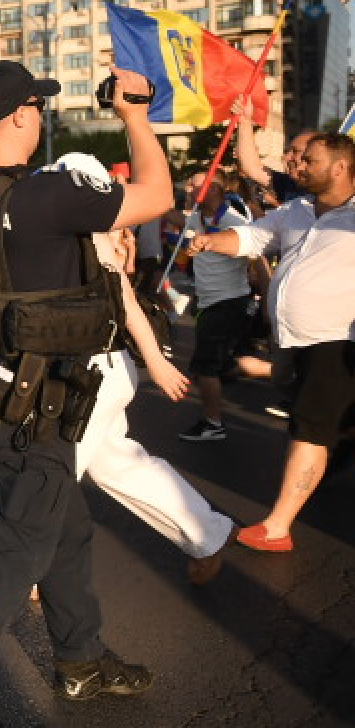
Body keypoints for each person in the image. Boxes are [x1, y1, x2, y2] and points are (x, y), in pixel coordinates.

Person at [0, 61, 171, 728]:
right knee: (16, 555)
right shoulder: (48, 194)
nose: (43, 116)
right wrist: (135, 114)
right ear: (22, 114)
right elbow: (157, 195)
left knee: (67, 529)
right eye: (38, 106)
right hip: (35, 403)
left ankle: (80, 661)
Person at [50, 154, 236, 586]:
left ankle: (28, 572)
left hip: (92, 371)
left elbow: (125, 298)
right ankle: (206, 535)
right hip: (100, 369)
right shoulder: (85, 229)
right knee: (118, 463)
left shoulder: (85, 232)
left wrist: (156, 361)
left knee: (50, 474)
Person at [187, 132, 355, 553]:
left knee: (308, 431)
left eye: (308, 160)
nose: (297, 166)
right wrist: (212, 241)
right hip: (294, 341)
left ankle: (277, 527)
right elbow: (250, 239)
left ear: (338, 167)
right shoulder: (296, 211)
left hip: (335, 340)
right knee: (319, 425)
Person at [180, 176, 266, 442]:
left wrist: (269, 300)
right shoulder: (196, 217)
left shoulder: (233, 221)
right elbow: (175, 219)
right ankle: (282, 371)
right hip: (207, 302)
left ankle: (212, 424)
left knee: (205, 367)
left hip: (228, 303)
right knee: (219, 365)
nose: (189, 189)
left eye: (195, 185)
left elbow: (259, 259)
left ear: (215, 189)